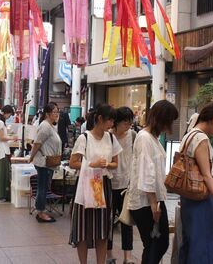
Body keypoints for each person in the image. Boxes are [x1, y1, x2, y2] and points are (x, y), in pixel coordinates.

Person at [178, 102, 213, 264]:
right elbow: (206, 176)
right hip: (201, 202)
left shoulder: (189, 135)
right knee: (205, 248)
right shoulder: (201, 138)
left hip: (189, 199)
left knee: (193, 244)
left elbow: (198, 173)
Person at [69, 104, 122, 264]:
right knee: (83, 228)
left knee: (103, 229)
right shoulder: (84, 138)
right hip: (86, 184)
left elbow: (115, 163)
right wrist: (93, 164)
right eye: (110, 120)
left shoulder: (111, 138)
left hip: (103, 185)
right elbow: (73, 163)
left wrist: (106, 165)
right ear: (99, 119)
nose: (112, 124)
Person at [127, 100, 178, 264]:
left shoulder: (152, 138)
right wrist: (153, 204)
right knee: (155, 244)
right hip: (146, 201)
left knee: (158, 243)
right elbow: (146, 172)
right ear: (162, 119)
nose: (169, 126)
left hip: (152, 199)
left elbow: (153, 170)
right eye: (169, 121)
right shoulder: (144, 138)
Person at [107, 107, 136, 264]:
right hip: (110, 184)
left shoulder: (132, 135)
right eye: (126, 123)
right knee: (108, 222)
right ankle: (109, 255)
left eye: (130, 122)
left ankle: (128, 257)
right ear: (116, 122)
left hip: (127, 184)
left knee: (127, 221)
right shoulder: (108, 136)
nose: (129, 126)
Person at [28, 102, 62, 222]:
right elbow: (37, 143)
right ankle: (40, 212)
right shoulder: (45, 126)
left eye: (58, 112)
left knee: (44, 187)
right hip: (43, 162)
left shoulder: (51, 126)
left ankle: (41, 210)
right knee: (42, 188)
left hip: (48, 162)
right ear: (47, 114)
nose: (57, 114)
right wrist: (31, 157)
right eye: (54, 112)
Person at [0, 105, 17, 202]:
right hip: (1, 152)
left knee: (0, 173)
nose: (9, 116)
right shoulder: (0, 123)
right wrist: (12, 138)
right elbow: (1, 137)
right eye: (10, 114)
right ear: (6, 113)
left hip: (0, 151)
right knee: (1, 174)